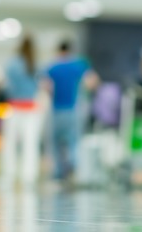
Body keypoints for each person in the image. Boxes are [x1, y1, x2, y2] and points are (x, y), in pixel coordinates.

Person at [43, 40, 99, 183]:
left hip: (56, 110)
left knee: (55, 143)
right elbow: (92, 82)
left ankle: (58, 174)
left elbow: (46, 87)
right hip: (75, 109)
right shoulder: (80, 65)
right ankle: (75, 170)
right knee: (74, 141)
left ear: (58, 50)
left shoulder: (52, 67)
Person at [0, 35, 43, 188]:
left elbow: (6, 88)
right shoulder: (36, 65)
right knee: (30, 145)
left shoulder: (12, 64)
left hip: (14, 108)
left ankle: (8, 177)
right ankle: (29, 178)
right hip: (31, 109)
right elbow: (41, 86)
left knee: (10, 144)